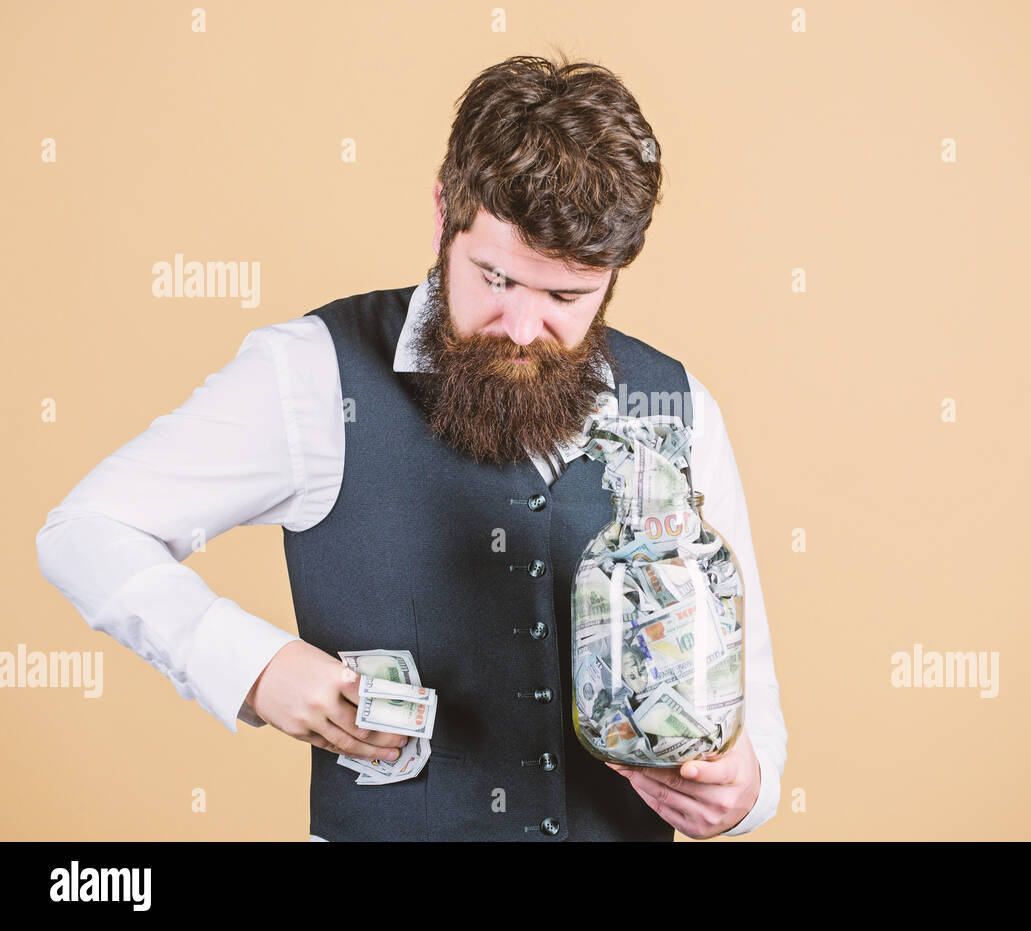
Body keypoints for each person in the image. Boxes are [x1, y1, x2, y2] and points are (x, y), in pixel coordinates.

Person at [35, 54, 787, 841]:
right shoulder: (314, 373)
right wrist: (255, 668)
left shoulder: (678, 405)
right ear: (441, 216)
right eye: (495, 279)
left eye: (566, 296)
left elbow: (753, 707)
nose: (524, 328)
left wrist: (744, 789)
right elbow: (85, 530)